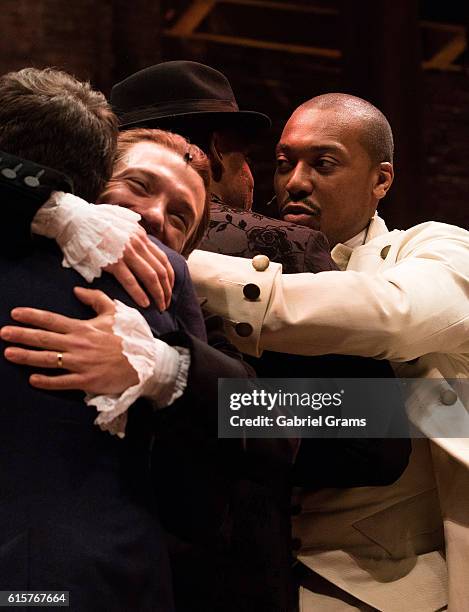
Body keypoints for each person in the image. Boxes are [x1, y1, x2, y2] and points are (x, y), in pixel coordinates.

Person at [187, 93, 469, 611]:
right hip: (253, 580)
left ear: (381, 180)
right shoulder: (253, 250)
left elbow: (391, 315)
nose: (294, 182)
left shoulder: (436, 249)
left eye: (323, 163)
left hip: (390, 591)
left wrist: (184, 271)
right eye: (283, 163)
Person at [111, 60, 338, 274]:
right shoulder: (293, 246)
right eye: (245, 157)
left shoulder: (88, 232)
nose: (156, 217)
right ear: (217, 148)